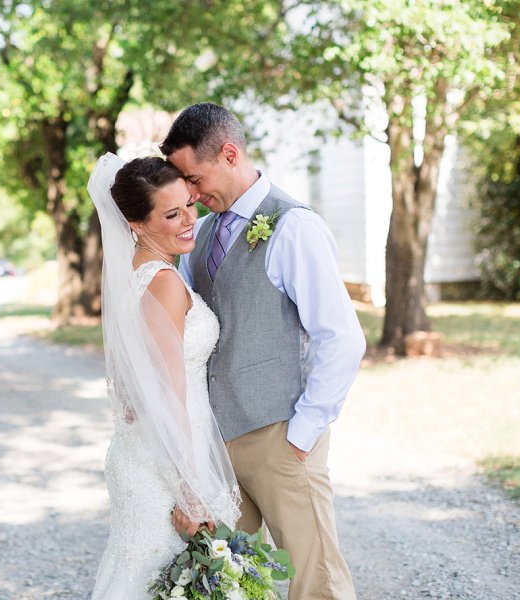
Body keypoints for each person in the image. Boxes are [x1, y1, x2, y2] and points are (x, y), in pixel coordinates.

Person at [162, 103, 366, 600]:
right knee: (233, 582)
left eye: (193, 178)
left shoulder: (294, 225)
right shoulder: (204, 232)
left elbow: (341, 338)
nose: (188, 195)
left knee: (314, 581)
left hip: (280, 435)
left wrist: (302, 434)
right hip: (218, 441)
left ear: (229, 154)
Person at [87, 154, 240, 599]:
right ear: (136, 223)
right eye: (172, 214)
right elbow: (167, 394)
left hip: (146, 453)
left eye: (190, 204)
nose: (191, 219)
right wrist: (191, 492)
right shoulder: (164, 283)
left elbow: (137, 387)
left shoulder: (133, 275)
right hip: (168, 464)